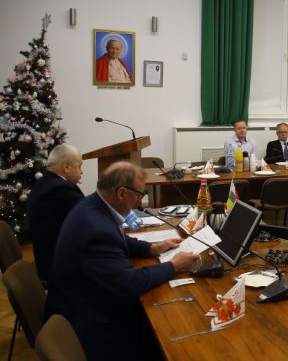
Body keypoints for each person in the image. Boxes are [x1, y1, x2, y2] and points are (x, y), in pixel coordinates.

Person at [45, 162, 197, 361]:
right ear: (122, 193)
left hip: (83, 298)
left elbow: (118, 238)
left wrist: (152, 248)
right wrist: (173, 265)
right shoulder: (96, 229)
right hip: (90, 322)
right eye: (140, 195)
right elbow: (130, 283)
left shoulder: (93, 205)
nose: (139, 203)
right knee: (170, 331)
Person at [26, 144, 85, 282]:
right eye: (79, 166)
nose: (82, 172)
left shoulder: (46, 182)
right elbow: (93, 219)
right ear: (66, 167)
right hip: (61, 268)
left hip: (50, 259)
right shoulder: (60, 189)